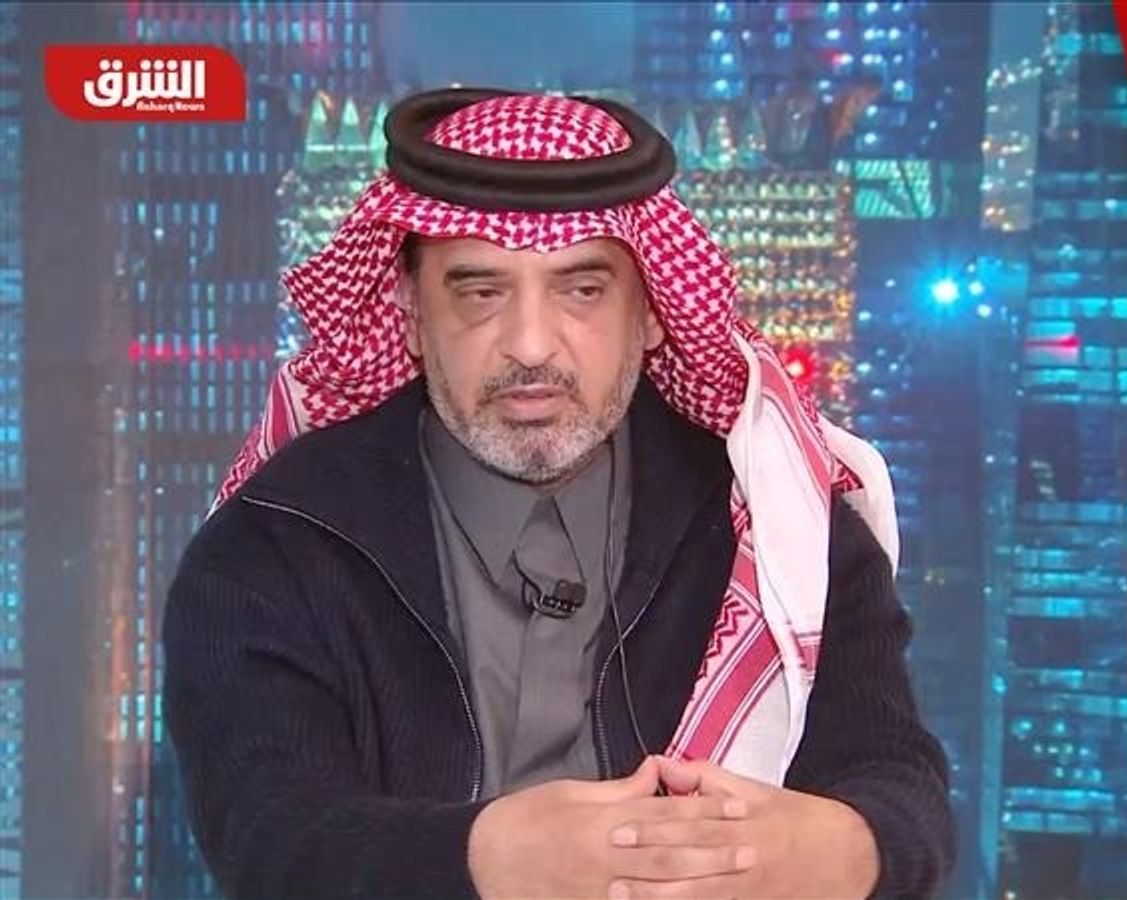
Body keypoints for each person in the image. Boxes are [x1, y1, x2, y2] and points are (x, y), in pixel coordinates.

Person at [162, 88, 953, 900]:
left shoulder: (783, 528)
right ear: (411, 312)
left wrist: (828, 849)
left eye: (582, 290)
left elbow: (903, 791)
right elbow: (269, 836)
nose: (532, 346)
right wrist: (487, 859)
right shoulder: (273, 550)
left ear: (652, 312)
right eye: (481, 292)